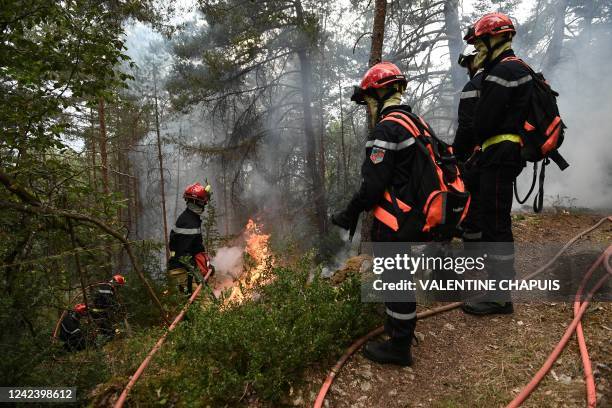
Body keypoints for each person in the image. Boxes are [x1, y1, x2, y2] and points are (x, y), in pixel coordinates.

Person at [332, 62, 438, 366]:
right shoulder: (414, 121)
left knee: (396, 278)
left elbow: (373, 184)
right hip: (415, 216)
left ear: (378, 95)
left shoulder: (387, 127)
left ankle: (399, 347)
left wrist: (349, 213)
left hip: (396, 220)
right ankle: (398, 331)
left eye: (367, 101)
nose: (367, 108)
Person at [461, 12, 530, 315]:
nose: (477, 50)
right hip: (502, 154)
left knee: (496, 225)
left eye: (479, 43)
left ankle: (500, 296)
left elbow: (483, 122)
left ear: (496, 38)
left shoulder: (504, 71)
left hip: (500, 154)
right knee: (493, 221)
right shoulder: (511, 68)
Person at [454, 39, 484, 245]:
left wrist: (454, 155)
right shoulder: (498, 81)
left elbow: (465, 128)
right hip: (506, 155)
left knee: (473, 203)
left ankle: (474, 252)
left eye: (468, 65)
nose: (467, 70)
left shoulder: (473, 86)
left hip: (476, 159)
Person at [168, 183, 213, 295]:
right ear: (196, 202)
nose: (205, 204)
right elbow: (184, 256)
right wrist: (197, 274)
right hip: (181, 271)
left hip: (184, 270)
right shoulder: (189, 223)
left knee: (188, 303)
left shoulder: (191, 218)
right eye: (203, 201)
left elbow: (195, 248)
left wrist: (207, 266)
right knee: (204, 305)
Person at [90, 274, 126, 340]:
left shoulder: (107, 287)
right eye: (118, 286)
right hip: (99, 314)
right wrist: (116, 307)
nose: (118, 288)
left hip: (101, 313)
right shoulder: (107, 288)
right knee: (107, 332)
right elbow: (108, 302)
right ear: (115, 283)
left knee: (108, 330)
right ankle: (100, 344)